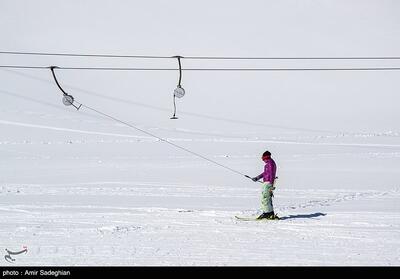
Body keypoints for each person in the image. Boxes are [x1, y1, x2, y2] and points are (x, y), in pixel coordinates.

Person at [252, 151, 278, 219]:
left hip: (268, 183)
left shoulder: (270, 163)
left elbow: (272, 174)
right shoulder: (268, 164)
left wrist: (271, 184)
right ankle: (270, 213)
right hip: (266, 182)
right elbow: (265, 173)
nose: (263, 160)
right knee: (267, 198)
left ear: (265, 157)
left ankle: (266, 213)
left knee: (265, 198)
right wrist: (257, 178)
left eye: (263, 158)